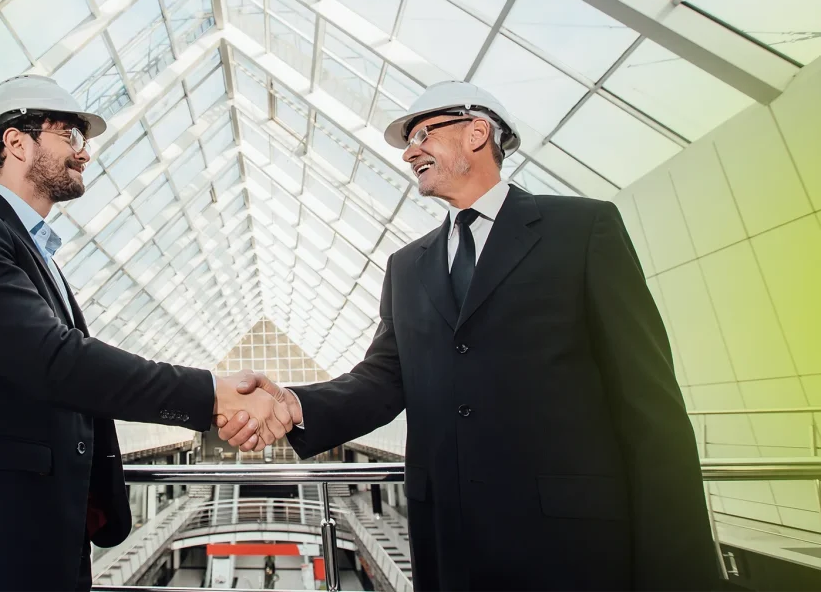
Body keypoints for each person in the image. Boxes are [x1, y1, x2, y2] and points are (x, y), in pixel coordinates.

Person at [220, 81, 723, 592]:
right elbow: (383, 378)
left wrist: (680, 566)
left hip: (571, 546)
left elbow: (648, 402)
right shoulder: (407, 265)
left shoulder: (582, 229)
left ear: (478, 133)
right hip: (451, 543)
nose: (410, 152)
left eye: (422, 134)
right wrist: (293, 403)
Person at [0, 75, 291, 592]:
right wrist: (210, 394)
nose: (84, 153)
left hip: (40, 540)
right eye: (70, 135)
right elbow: (55, 361)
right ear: (16, 143)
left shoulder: (37, 258)